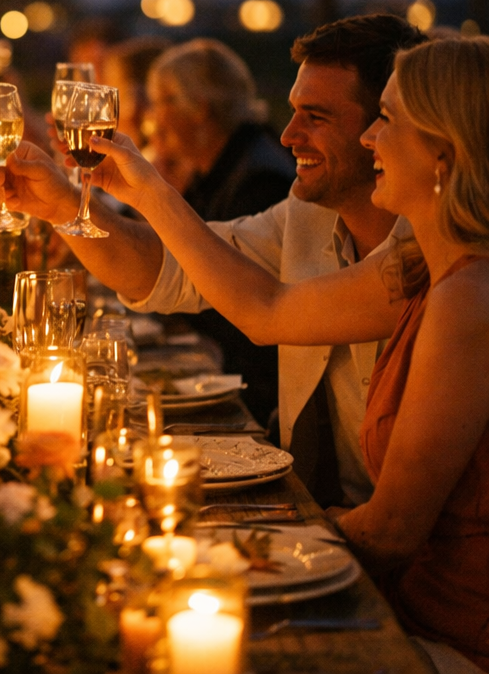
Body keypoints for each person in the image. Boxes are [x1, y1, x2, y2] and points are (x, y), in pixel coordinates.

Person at [77, 38, 489, 673]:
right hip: (397, 602)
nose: (373, 139)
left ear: (445, 149)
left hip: (447, 637)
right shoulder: (418, 267)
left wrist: (258, 551)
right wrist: (134, 190)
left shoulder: (469, 296)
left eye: (389, 119)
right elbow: (265, 310)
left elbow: (390, 530)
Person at [0, 15, 425, 506]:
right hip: (321, 507)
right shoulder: (306, 217)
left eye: (316, 117)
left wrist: (151, 192)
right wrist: (65, 206)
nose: (287, 136)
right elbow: (168, 267)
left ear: (383, 128)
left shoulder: (428, 251)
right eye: (292, 112)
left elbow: (266, 312)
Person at [139, 39, 296, 423]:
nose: (152, 118)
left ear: (199, 110)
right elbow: (174, 250)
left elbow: (220, 300)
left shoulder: (260, 179)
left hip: (255, 400)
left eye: (162, 102)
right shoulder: (216, 167)